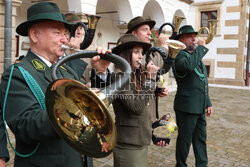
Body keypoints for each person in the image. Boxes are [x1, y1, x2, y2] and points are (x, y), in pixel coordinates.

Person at [0, 2, 109, 167]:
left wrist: (100, 72)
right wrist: (73, 107)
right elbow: (25, 125)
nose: (65, 39)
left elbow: (93, 105)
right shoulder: (18, 73)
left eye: (66, 33)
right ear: (35, 35)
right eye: (58, 32)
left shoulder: (66, 69)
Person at [111, 34, 168, 167]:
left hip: (139, 139)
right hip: (128, 143)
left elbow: (140, 95)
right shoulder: (118, 76)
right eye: (136, 52)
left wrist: (156, 89)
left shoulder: (134, 73)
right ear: (125, 54)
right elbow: (136, 107)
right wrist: (151, 79)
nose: (141, 56)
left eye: (141, 52)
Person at [172, 25, 213, 167]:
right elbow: (188, 67)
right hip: (187, 107)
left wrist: (207, 102)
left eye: (194, 36)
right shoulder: (179, 56)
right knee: (185, 140)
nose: (194, 39)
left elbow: (203, 81)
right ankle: (181, 165)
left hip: (199, 106)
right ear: (181, 39)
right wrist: (201, 48)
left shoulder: (195, 56)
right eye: (190, 36)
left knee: (201, 139)